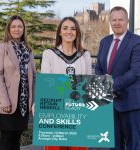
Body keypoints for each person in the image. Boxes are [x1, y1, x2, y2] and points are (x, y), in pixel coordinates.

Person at [95, 6, 140, 150]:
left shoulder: (137, 42)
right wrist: (104, 88)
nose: (117, 23)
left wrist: (109, 87)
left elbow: (135, 72)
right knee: (113, 145)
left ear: (127, 20)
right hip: (109, 103)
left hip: (130, 102)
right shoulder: (105, 42)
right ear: (109, 21)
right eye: (114, 19)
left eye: (120, 19)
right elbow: (98, 68)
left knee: (132, 144)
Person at [41, 17, 92, 150]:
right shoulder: (49, 54)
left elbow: (88, 84)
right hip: (56, 111)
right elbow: (46, 84)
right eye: (65, 28)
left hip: (78, 110)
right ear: (59, 32)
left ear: (77, 33)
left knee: (78, 147)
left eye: (73, 28)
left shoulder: (85, 55)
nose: (69, 31)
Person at [0, 15, 36, 150]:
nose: (17, 29)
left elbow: (33, 77)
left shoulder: (28, 51)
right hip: (7, 102)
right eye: (13, 26)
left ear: (24, 29)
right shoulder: (2, 48)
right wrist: (4, 101)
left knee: (16, 140)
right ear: (9, 29)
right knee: (6, 140)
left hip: (23, 104)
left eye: (20, 26)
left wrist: (31, 102)